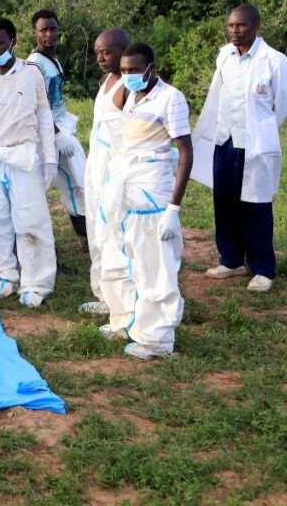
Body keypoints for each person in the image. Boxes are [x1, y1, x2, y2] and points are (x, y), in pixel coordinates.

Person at [95, 43, 193, 360]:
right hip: (126, 190)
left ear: (151, 67)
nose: (128, 76)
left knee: (155, 266)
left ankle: (156, 340)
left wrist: (173, 210)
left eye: (135, 70)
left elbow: (185, 154)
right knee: (122, 257)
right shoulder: (131, 97)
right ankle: (125, 320)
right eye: (124, 71)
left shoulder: (171, 98)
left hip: (153, 195)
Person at [192, 4, 287, 292]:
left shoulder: (274, 60)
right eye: (231, 26)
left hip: (254, 145)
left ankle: (263, 268)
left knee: (256, 205)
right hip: (224, 140)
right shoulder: (224, 55)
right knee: (224, 202)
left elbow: (284, 102)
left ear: (256, 26)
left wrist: (260, 129)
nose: (235, 31)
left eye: (241, 25)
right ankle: (232, 260)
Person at [0, 17, 57, 307]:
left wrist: (50, 159)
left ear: (14, 42)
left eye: (0, 43)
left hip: (23, 155)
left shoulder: (31, 74)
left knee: (30, 219)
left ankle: (36, 282)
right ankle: (1, 275)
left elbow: (44, 115)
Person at [27, 9, 88, 249]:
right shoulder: (35, 64)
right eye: (43, 30)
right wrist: (56, 134)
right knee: (40, 187)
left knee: (78, 182)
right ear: (35, 32)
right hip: (47, 133)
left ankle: (86, 238)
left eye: (52, 28)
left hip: (60, 126)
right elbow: (35, 106)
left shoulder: (52, 57)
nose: (49, 34)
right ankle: (34, 243)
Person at [80, 28, 130, 315]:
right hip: (96, 167)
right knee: (97, 231)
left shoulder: (128, 87)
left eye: (107, 52)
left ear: (124, 50)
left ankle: (120, 299)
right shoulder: (107, 80)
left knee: (115, 234)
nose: (100, 57)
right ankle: (103, 294)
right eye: (97, 51)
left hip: (115, 173)